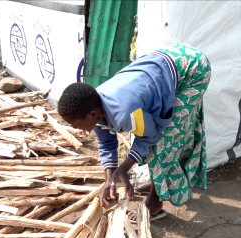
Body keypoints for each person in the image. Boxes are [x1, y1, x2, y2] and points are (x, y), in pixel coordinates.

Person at [57, 44, 211, 221]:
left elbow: (150, 136)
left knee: (165, 140)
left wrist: (124, 168)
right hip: (163, 63)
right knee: (153, 128)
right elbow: (107, 143)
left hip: (192, 69)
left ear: (91, 114)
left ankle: (155, 202)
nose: (76, 129)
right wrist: (110, 178)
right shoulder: (95, 106)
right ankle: (157, 182)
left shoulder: (125, 113)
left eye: (77, 124)